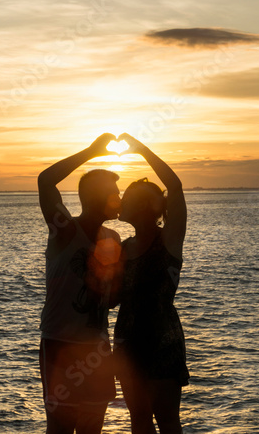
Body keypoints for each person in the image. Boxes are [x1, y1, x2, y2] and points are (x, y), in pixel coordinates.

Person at [38, 133, 123, 434]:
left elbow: (111, 298)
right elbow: (46, 182)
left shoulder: (113, 240)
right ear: (98, 198)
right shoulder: (65, 231)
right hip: (61, 344)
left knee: (92, 429)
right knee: (60, 427)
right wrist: (90, 152)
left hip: (97, 349)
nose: (119, 198)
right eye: (115, 193)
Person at [114, 133, 189, 434]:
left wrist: (141, 149)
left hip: (162, 340)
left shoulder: (168, 240)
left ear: (144, 206)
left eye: (127, 198)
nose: (120, 201)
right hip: (128, 341)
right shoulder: (123, 247)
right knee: (139, 419)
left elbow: (175, 187)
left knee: (167, 419)